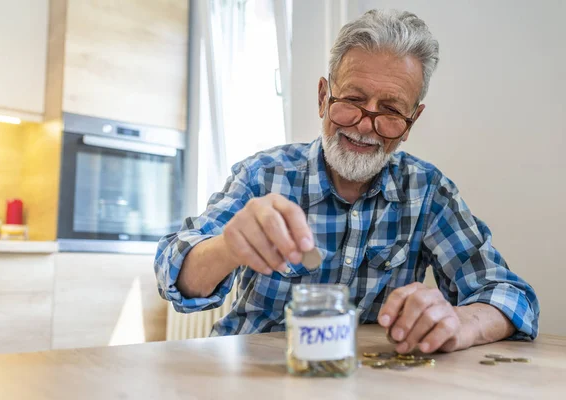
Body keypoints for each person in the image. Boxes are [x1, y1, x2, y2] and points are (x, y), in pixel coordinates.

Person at [155, 9, 539, 354]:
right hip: (254, 375)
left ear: (411, 123)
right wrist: (227, 247)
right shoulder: (263, 175)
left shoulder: (428, 192)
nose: (364, 126)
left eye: (390, 111)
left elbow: (513, 296)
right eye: (352, 100)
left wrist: (461, 323)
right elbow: (173, 273)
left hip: (366, 382)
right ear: (323, 97)